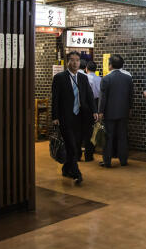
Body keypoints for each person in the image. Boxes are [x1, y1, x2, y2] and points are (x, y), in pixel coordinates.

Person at [52, 51, 98, 183]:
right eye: (72, 60)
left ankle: (66, 168)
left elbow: (89, 96)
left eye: (77, 60)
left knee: (75, 145)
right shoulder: (59, 77)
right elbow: (55, 99)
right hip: (65, 117)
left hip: (81, 117)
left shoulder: (83, 78)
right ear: (67, 62)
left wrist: (94, 110)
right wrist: (55, 116)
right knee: (72, 146)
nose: (75, 62)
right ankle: (76, 173)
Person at [99, 54, 133, 167]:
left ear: (110, 65)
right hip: (123, 112)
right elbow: (130, 96)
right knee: (122, 137)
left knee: (108, 138)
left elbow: (103, 98)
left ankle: (107, 161)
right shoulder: (128, 78)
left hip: (109, 113)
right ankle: (123, 160)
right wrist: (130, 108)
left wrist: (100, 112)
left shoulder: (106, 79)